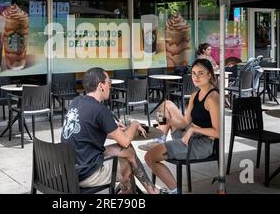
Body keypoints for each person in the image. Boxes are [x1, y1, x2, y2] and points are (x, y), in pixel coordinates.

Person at [61, 67, 162, 194]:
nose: (111, 86)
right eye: (109, 83)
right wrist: (135, 124)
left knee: (128, 151)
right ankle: (145, 192)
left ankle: (151, 190)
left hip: (71, 166)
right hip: (86, 174)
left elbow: (88, 127)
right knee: (127, 162)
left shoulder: (76, 102)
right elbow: (124, 141)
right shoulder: (100, 109)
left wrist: (114, 127)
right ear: (101, 86)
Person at [143, 58, 220, 194]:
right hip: (187, 135)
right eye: (194, 73)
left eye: (200, 73)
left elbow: (218, 132)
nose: (196, 77)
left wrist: (193, 130)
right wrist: (170, 122)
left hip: (202, 144)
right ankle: (160, 138)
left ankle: (174, 191)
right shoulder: (194, 95)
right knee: (166, 104)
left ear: (209, 75)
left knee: (150, 157)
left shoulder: (212, 98)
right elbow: (185, 122)